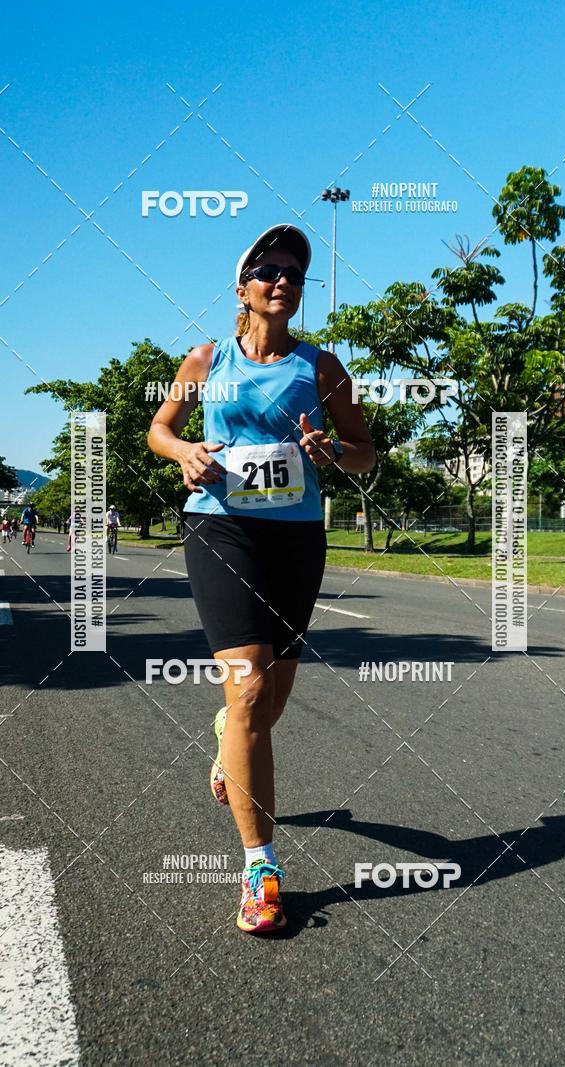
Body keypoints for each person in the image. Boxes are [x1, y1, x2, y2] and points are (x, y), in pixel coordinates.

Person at [148, 223, 375, 934]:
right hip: (219, 525)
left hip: (296, 537)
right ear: (241, 285)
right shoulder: (206, 357)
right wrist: (183, 450)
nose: (284, 282)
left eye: (295, 275)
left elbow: (367, 454)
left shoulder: (323, 365)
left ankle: (228, 741)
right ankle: (260, 867)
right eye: (270, 270)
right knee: (246, 682)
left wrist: (333, 449)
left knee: (267, 698)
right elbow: (160, 428)